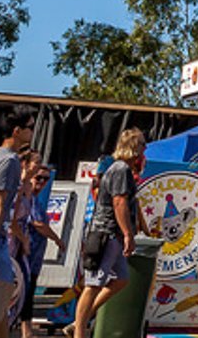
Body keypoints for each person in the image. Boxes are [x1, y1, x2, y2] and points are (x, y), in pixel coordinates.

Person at [71, 128, 147, 338]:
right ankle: (79, 330)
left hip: (113, 234)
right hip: (106, 233)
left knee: (121, 279)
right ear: (133, 147)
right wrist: (128, 234)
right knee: (94, 283)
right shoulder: (120, 169)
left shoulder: (123, 170)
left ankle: (82, 318)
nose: (144, 148)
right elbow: (119, 202)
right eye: (141, 144)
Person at [15, 153, 55, 338]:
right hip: (24, 252)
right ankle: (25, 330)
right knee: (24, 290)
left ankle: (24, 329)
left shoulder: (36, 199)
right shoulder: (24, 195)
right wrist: (58, 240)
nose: (42, 182)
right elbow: (37, 224)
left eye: (46, 179)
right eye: (39, 177)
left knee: (28, 291)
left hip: (35, 254)